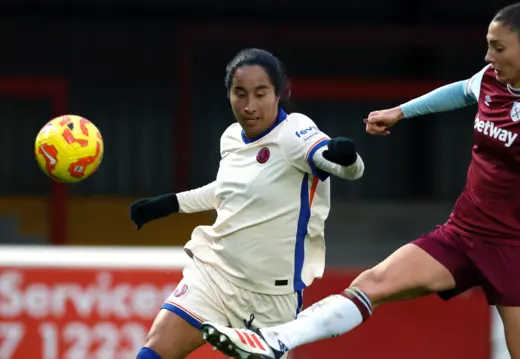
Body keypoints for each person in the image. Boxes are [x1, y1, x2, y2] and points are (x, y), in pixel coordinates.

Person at [200, 1, 520, 359]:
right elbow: (455, 93)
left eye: (498, 48)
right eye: (488, 44)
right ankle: (273, 341)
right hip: (464, 233)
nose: (488, 55)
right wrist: (399, 112)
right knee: (372, 283)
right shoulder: (488, 82)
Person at [129, 48, 366, 359]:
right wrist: (170, 204)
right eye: (240, 93)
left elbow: (342, 165)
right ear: (228, 93)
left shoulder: (294, 131)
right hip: (214, 276)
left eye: (260, 93)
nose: (249, 106)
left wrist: (346, 158)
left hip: (271, 299)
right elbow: (230, 190)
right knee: (153, 351)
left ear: (280, 93)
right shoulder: (231, 137)